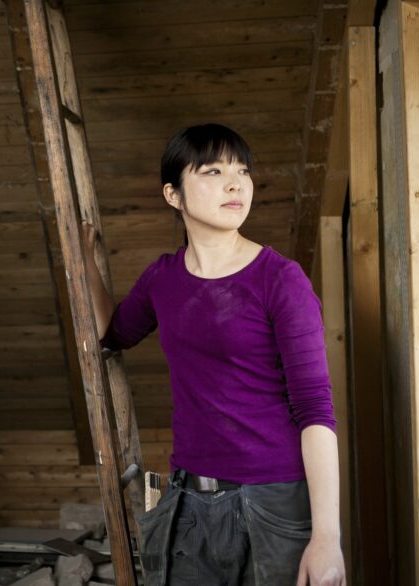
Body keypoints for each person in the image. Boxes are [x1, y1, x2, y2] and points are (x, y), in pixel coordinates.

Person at [81, 124, 345, 586]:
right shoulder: (162, 279)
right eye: (213, 171)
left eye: (243, 171)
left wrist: (326, 536)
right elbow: (112, 333)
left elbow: (316, 410)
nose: (235, 183)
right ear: (173, 194)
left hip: (274, 504)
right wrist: (83, 261)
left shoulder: (281, 280)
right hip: (188, 503)